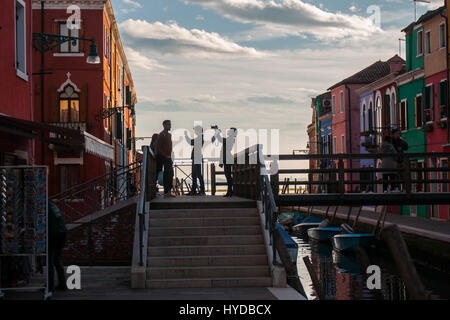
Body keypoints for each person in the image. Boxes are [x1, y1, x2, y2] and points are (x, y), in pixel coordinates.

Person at [212, 127, 238, 197]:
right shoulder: (230, 139)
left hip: (227, 159)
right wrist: (217, 131)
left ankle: (229, 192)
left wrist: (217, 132)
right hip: (227, 159)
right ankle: (230, 191)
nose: (228, 131)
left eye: (230, 131)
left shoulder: (230, 139)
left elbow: (220, 139)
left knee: (228, 176)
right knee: (228, 176)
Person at [48, 202, 68, 291]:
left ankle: (49, 285)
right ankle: (62, 283)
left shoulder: (45, 207)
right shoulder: (52, 205)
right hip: (62, 233)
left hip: (54, 234)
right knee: (57, 259)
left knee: (49, 260)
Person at [155, 120, 174, 197]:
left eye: (170, 124)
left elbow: (170, 146)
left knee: (170, 174)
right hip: (163, 157)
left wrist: (170, 155)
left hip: (169, 157)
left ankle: (168, 191)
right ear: (164, 125)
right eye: (168, 125)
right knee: (166, 174)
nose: (170, 126)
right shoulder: (161, 135)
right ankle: (166, 192)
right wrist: (165, 155)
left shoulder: (169, 135)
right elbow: (158, 148)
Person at [185, 126, 205, 196]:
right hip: (196, 157)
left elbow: (191, 142)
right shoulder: (200, 137)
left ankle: (201, 191)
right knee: (195, 175)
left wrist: (186, 136)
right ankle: (194, 191)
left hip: (197, 157)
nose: (195, 132)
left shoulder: (200, 137)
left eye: (195, 130)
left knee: (198, 175)